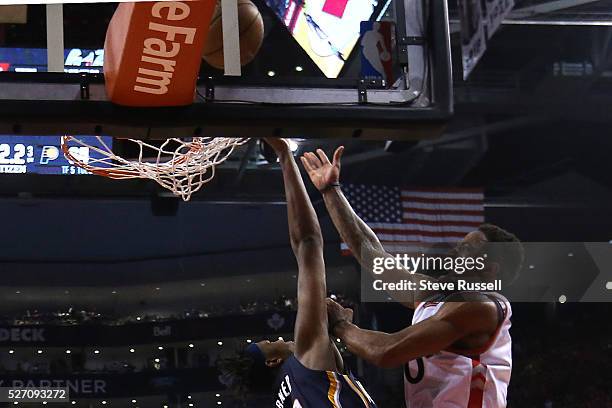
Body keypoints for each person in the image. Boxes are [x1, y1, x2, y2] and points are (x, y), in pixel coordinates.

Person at [300, 147, 524, 407]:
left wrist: (340, 325)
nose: (455, 250)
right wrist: (331, 191)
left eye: (466, 249)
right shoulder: (434, 294)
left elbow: (387, 352)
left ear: (490, 269)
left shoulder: (480, 308)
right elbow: (372, 253)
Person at [218, 139, 377, 407]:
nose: (279, 337)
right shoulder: (304, 359)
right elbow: (307, 243)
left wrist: (337, 327)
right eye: (270, 342)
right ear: (272, 361)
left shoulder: (293, 391)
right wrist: (283, 155)